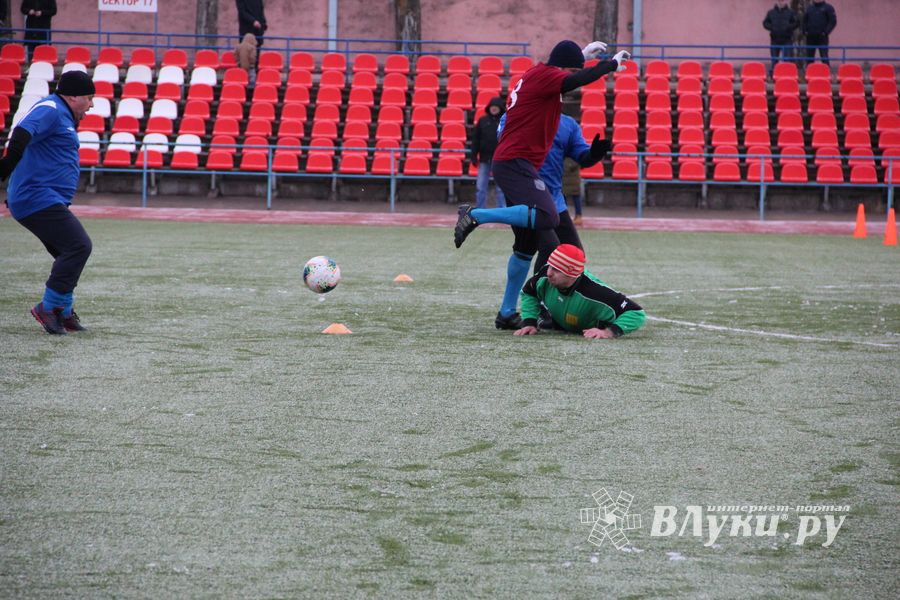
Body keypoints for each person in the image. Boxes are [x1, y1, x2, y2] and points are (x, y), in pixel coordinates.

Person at [454, 40, 629, 251]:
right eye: (570, 70)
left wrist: (594, 153)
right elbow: (572, 78)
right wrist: (609, 65)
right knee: (546, 241)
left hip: (546, 187)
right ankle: (476, 216)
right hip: (521, 176)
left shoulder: (564, 119)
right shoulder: (535, 94)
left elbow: (582, 157)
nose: (569, 79)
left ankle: (524, 284)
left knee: (544, 252)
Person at [0, 71, 95, 334]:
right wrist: (6, 166)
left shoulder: (61, 113)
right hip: (35, 197)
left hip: (45, 198)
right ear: (73, 96)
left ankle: (63, 311)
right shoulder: (51, 107)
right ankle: (49, 307)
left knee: (67, 253)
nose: (91, 104)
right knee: (78, 246)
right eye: (89, 97)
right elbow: (22, 130)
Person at [494, 113, 610, 329]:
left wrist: (594, 154)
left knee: (573, 253)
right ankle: (537, 309)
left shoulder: (567, 123)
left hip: (554, 200)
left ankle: (519, 311)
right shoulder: (514, 116)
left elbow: (581, 156)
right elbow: (505, 147)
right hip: (526, 196)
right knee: (548, 249)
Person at [513, 244, 646, 339]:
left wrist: (608, 332)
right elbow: (529, 292)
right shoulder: (544, 275)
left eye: (557, 270)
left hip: (586, 327)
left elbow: (636, 313)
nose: (549, 273)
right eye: (550, 266)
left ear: (572, 275)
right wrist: (529, 322)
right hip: (559, 322)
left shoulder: (595, 292)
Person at [471, 96, 506, 209]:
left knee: (501, 187)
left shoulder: (505, 121)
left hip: (500, 160)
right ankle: (480, 210)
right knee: (481, 187)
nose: (494, 109)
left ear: (500, 108)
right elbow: (475, 139)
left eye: (496, 107)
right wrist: (473, 156)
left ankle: (502, 210)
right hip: (484, 159)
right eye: (492, 107)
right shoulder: (482, 121)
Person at [763, 0, 799, 71]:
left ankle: (786, 75)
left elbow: (796, 23)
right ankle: (774, 76)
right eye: (780, 1)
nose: (781, 2)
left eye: (782, 1)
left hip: (787, 40)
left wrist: (789, 27)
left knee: (787, 60)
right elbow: (765, 23)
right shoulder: (771, 12)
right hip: (775, 39)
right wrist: (772, 27)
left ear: (785, 2)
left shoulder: (791, 12)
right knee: (774, 60)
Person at [803, 0, 836, 66]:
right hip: (810, 37)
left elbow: (833, 21)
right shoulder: (809, 8)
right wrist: (805, 31)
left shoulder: (828, 8)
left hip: (822, 37)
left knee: (824, 57)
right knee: (809, 57)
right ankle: (809, 74)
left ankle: (827, 73)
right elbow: (804, 21)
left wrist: (825, 32)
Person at [563, 158, 583, 226]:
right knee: (564, 196)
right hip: (565, 176)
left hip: (571, 176)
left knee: (575, 196)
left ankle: (578, 216)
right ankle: (565, 216)